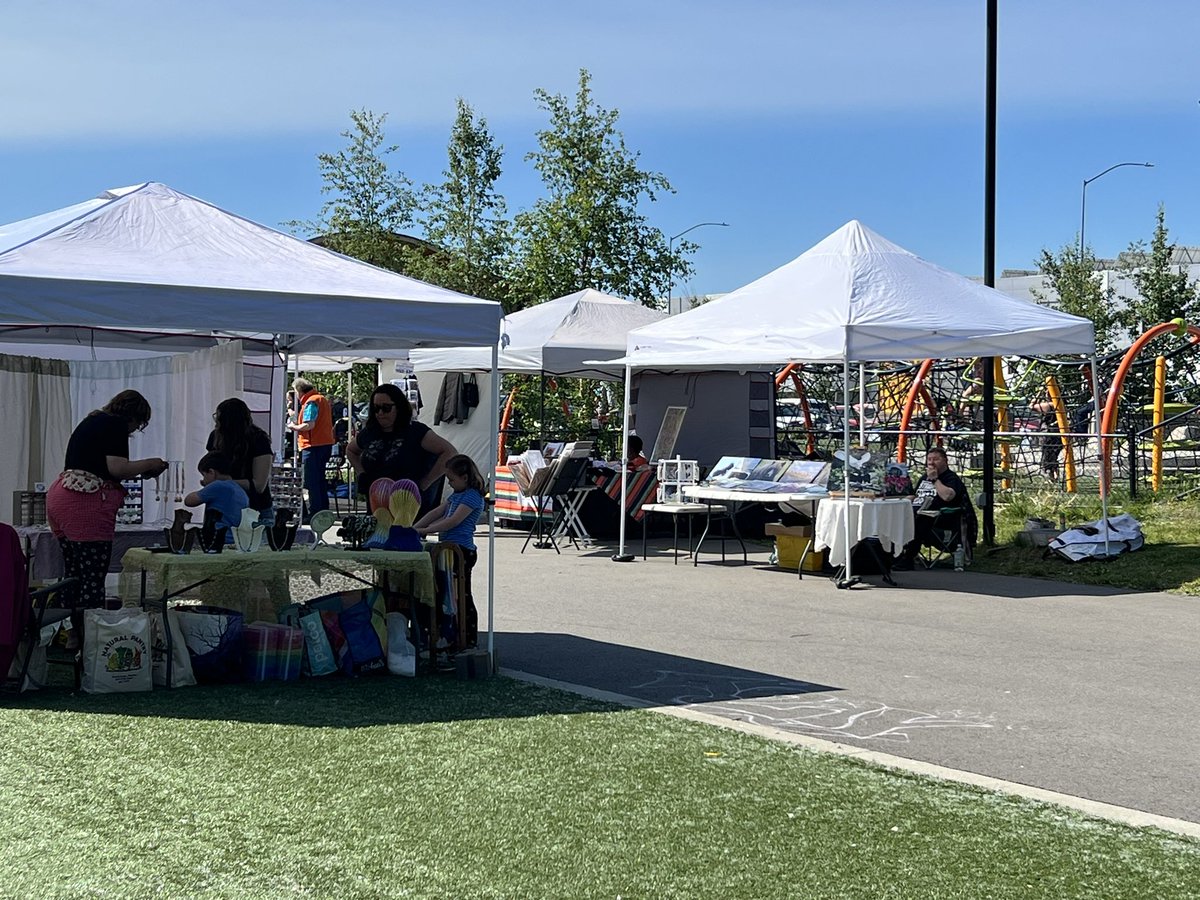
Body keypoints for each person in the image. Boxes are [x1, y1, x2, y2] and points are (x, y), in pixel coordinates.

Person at [45, 390, 168, 609]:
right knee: (92, 578)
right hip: (85, 503)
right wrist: (151, 463)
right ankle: (92, 635)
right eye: (139, 425)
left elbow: (102, 466)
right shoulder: (115, 425)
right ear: (134, 417)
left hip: (61, 496)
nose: (134, 431)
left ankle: (71, 634)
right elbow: (118, 468)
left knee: (73, 574)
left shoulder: (93, 420)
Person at [346, 384, 457, 518]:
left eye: (386, 408)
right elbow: (351, 450)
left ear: (398, 407)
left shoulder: (415, 431)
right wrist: (361, 473)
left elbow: (450, 452)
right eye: (376, 408)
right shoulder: (369, 432)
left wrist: (425, 483)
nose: (380, 413)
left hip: (408, 506)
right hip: (378, 505)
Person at [414, 454, 485, 647]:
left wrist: (425, 530)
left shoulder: (472, 496)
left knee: (460, 595)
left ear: (465, 477)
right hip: (447, 550)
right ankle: (447, 634)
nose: (450, 483)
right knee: (445, 593)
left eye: (452, 479)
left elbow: (452, 521)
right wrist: (413, 528)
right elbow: (436, 512)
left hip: (461, 550)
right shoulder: (457, 495)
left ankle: (467, 638)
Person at [895, 447, 971, 569]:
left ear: (945, 461)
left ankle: (908, 558)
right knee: (893, 514)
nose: (931, 462)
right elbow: (915, 496)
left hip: (940, 517)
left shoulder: (951, 478)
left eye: (935, 459)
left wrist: (935, 480)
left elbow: (948, 496)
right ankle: (892, 555)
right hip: (915, 511)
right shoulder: (924, 477)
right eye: (929, 459)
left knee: (921, 518)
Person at [207, 397, 276, 527]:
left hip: (255, 508)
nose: (216, 421)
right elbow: (209, 467)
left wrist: (224, 481)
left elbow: (259, 485)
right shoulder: (215, 437)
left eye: (218, 417)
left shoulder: (258, 439)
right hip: (222, 508)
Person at [286, 377, 335, 523]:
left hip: (313, 445)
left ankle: (315, 513)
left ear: (299, 390)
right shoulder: (321, 399)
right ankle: (323, 511)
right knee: (319, 480)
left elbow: (309, 424)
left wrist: (293, 427)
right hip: (324, 444)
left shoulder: (311, 401)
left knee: (312, 481)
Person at [184, 452, 249, 540]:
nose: (203, 479)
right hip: (237, 539)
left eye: (204, 475)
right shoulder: (239, 489)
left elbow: (189, 501)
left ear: (211, 472)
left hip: (219, 539)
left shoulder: (218, 486)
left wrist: (206, 488)